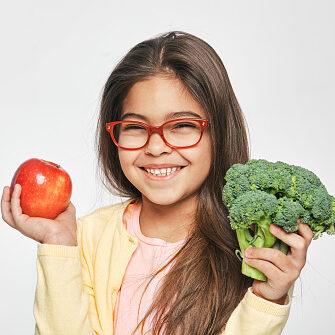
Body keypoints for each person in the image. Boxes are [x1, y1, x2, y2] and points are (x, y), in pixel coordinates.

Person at [1, 31, 313, 335]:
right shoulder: (85, 239)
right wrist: (58, 244)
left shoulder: (248, 248)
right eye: (136, 126)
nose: (156, 146)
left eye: (182, 125)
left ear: (219, 133)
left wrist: (266, 299)